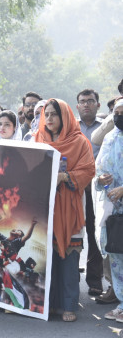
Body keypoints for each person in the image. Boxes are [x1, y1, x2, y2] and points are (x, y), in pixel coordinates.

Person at [35, 98, 95, 322]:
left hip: (70, 207)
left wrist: (66, 176)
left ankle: (69, 305)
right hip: (44, 207)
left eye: (54, 114)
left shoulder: (80, 142)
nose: (49, 119)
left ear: (65, 116)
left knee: (69, 257)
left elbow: (89, 170)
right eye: (46, 114)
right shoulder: (37, 139)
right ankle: (48, 304)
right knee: (46, 258)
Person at [96, 99, 123, 322]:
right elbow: (99, 171)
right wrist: (101, 179)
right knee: (116, 256)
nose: (120, 116)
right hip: (113, 211)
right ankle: (121, 304)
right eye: (117, 112)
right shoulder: (109, 137)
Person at [76, 89, 104, 296]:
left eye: (91, 101)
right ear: (77, 106)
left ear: (98, 105)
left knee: (95, 235)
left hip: (97, 190)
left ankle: (95, 280)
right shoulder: (70, 129)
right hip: (74, 188)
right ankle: (70, 279)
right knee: (73, 234)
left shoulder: (106, 130)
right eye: (83, 102)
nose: (87, 104)